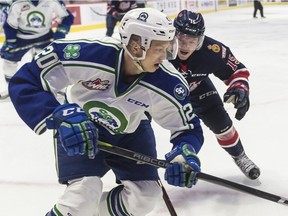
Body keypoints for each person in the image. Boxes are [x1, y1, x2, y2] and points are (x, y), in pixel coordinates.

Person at [9, 8, 204, 215]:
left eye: (168, 48)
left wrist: (184, 154)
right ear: (137, 46)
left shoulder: (169, 83)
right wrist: (58, 113)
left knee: (145, 196)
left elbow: (188, 129)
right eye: (159, 49)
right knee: (83, 195)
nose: (165, 56)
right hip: (79, 126)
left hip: (131, 132)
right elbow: (26, 80)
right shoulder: (88, 53)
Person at [170, 10, 260, 180]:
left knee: (221, 123)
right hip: (160, 93)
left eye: (192, 41)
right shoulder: (159, 46)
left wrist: (240, 88)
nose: (185, 46)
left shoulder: (212, 51)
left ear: (200, 40)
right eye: (181, 40)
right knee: (139, 120)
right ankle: (133, 163)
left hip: (197, 89)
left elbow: (237, 70)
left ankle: (239, 155)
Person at [0, 0, 74, 98]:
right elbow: (10, 24)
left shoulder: (52, 1)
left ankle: (55, 85)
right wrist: (10, 41)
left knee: (51, 61)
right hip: (21, 38)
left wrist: (60, 32)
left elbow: (67, 16)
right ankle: (12, 88)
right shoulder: (17, 3)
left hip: (45, 36)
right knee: (9, 62)